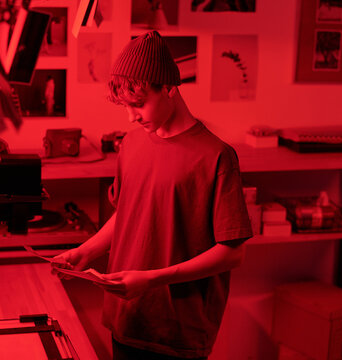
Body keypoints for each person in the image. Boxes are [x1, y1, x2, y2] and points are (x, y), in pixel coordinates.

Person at [52, 31, 252, 360]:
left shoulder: (217, 156)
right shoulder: (130, 145)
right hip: (126, 319)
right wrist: (85, 252)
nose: (132, 116)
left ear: (169, 88)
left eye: (139, 104)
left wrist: (153, 279)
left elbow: (232, 254)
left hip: (177, 331)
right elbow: (129, 214)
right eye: (126, 107)